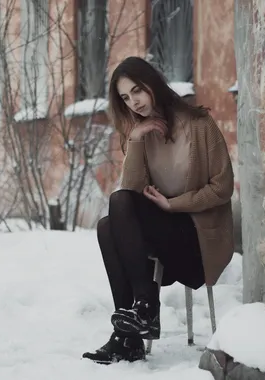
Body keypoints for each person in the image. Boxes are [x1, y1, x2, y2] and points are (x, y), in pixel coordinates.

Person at [82, 56, 235, 365]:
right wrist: (136, 140)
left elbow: (224, 187)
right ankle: (133, 330)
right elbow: (130, 193)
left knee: (117, 208)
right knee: (107, 224)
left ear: (152, 84)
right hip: (162, 238)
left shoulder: (199, 124)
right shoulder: (141, 133)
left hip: (197, 241)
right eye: (125, 97)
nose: (133, 102)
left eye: (137, 90)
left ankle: (142, 313)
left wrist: (173, 204)